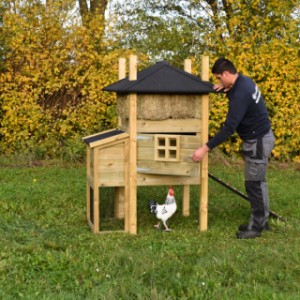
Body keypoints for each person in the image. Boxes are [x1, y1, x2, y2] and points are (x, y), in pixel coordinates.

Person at [192, 57, 275, 239]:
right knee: (258, 182)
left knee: (254, 184)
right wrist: (226, 91)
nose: (218, 82)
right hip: (262, 137)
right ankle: (262, 221)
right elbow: (241, 101)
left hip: (258, 141)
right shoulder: (243, 81)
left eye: (219, 78)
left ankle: (256, 228)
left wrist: (205, 148)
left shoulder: (240, 93)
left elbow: (229, 127)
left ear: (227, 74)